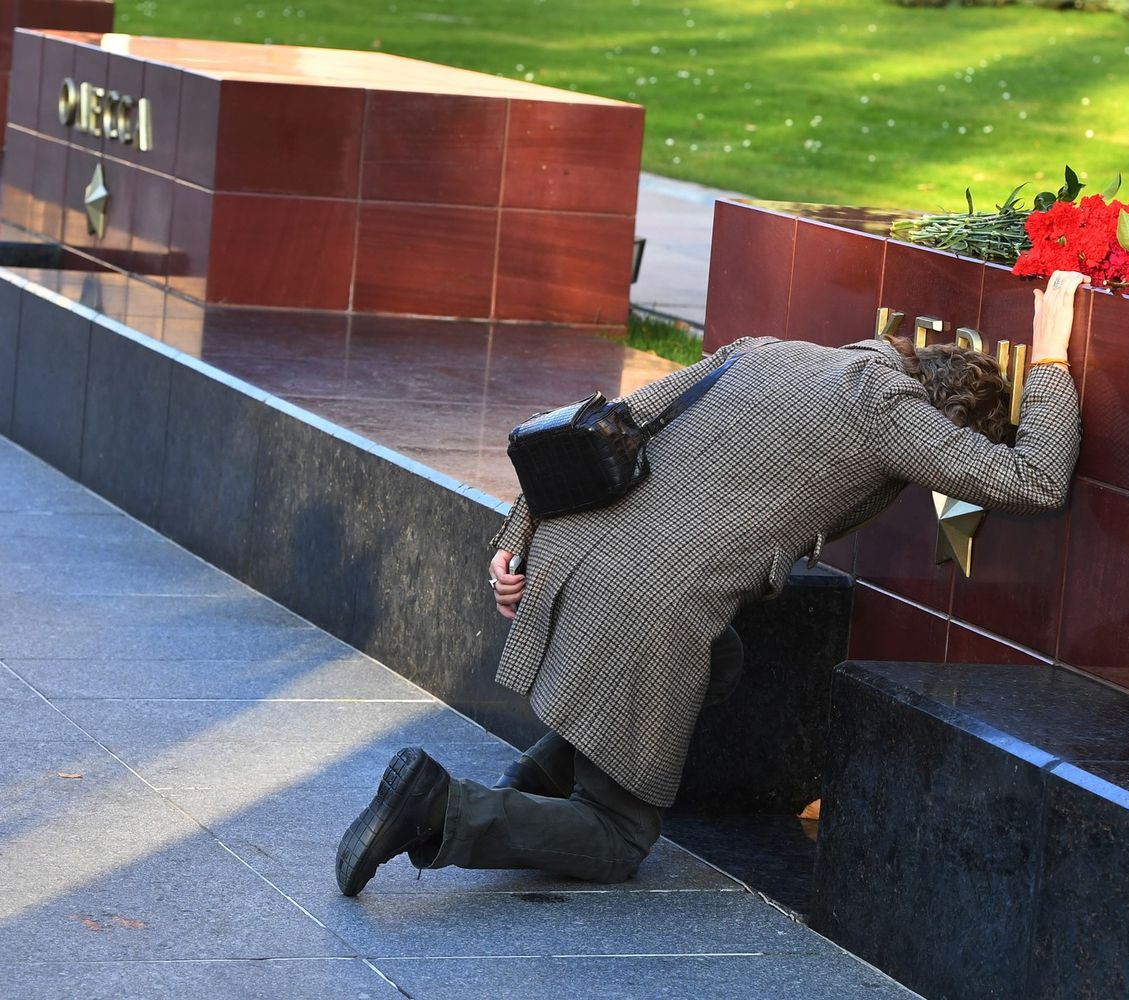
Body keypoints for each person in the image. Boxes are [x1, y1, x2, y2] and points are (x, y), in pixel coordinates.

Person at [335, 270, 1090, 896]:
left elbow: (608, 421)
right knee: (618, 837)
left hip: (575, 554)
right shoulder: (888, 410)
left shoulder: (765, 351)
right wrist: (1053, 357)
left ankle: (526, 792)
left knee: (719, 661)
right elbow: (1033, 480)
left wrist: (519, 539)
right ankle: (442, 811)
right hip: (642, 604)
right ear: (945, 416)